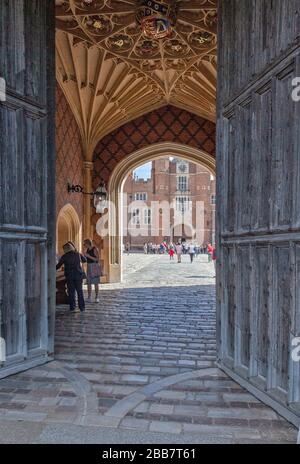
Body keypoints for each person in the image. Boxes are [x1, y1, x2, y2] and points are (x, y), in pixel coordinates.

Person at [56, 242, 86, 312]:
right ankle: (82, 307)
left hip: (70, 276)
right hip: (78, 275)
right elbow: (85, 260)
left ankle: (72, 307)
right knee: (80, 291)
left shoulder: (65, 256)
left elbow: (58, 266)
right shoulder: (77, 254)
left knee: (71, 291)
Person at [83, 239, 101, 303]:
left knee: (96, 282)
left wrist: (88, 256)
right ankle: (89, 297)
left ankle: (96, 297)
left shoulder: (95, 249)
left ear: (88, 243)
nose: (84, 245)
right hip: (89, 266)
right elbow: (86, 259)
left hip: (94, 266)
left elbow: (97, 259)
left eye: (84, 244)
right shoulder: (87, 250)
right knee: (89, 283)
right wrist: (85, 256)